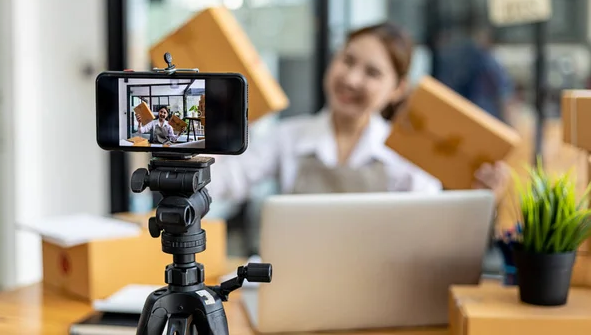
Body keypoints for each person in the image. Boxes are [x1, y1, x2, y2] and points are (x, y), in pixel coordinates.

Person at [207, 22, 510, 215]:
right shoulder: (288, 137)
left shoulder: (407, 159)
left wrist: (481, 202)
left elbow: (434, 238)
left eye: (372, 72)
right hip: (295, 292)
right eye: (347, 60)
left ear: (397, 89)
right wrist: (193, 151)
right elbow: (222, 184)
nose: (351, 79)